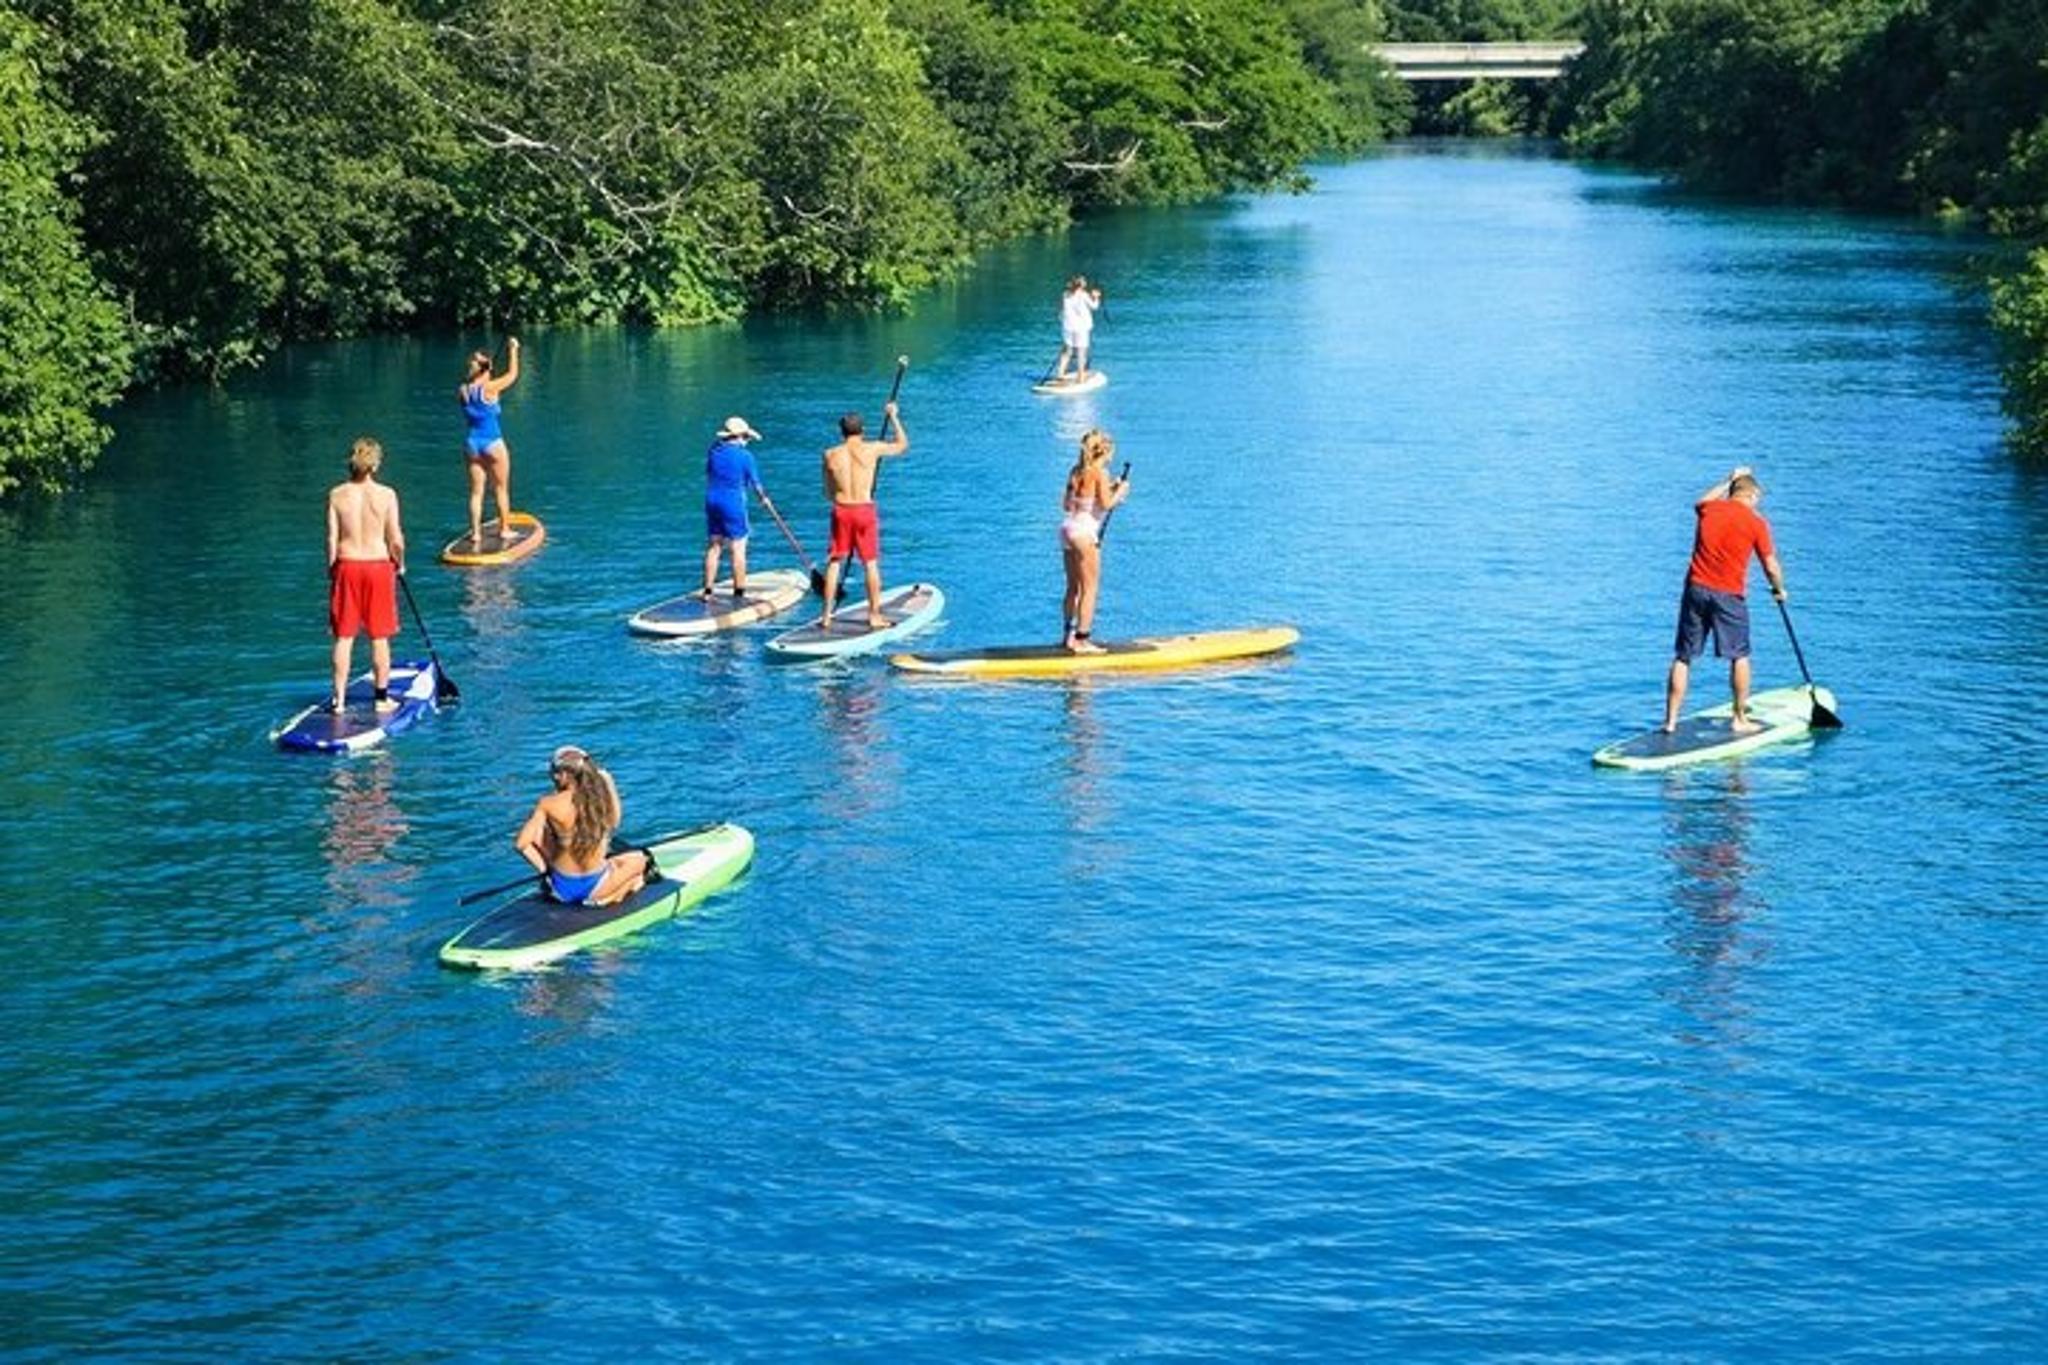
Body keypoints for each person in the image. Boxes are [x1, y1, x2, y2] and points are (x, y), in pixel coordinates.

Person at [1663, 465, 1787, 734]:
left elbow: (1701, 500)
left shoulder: (1709, 509)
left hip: (1695, 589)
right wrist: (1779, 589)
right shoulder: (1756, 523)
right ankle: (1739, 718)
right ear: (1752, 495)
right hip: (1729, 595)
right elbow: (1771, 565)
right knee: (1739, 656)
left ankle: (1670, 722)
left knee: (1683, 657)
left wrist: (1728, 479)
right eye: (1757, 500)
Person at [326, 437, 407, 713]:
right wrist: (401, 563)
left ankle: (339, 700)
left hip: (347, 564)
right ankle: (381, 699)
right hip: (377, 564)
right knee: (379, 635)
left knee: (344, 636)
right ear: (376, 464)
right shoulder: (386, 495)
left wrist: (331, 569)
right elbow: (396, 539)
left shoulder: (336, 495)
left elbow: (332, 538)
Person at [515, 746, 651, 906]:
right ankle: (609, 897)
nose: (552, 776)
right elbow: (614, 823)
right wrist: (609, 782)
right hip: (596, 886)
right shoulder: (597, 799)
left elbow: (521, 844)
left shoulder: (547, 804)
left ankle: (603, 893)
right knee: (640, 861)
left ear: (564, 775)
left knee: (539, 834)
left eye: (553, 772)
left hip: (561, 887)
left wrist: (546, 871)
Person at [819, 401, 910, 630]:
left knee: (834, 562)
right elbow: (902, 445)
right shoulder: (872, 448)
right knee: (870, 563)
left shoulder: (829, 455)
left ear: (842, 432)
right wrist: (893, 416)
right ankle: (874, 616)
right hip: (864, 510)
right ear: (862, 431)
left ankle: (827, 616)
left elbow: (828, 492)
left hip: (841, 509)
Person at [1059, 428, 1130, 654]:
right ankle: (1082, 640)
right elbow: (1108, 504)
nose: (1111, 459)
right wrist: (1121, 491)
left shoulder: (1076, 471)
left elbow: (1069, 505)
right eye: (1111, 454)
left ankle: (1068, 636)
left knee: (1073, 588)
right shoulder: (1100, 472)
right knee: (1090, 588)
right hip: (1084, 535)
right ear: (1105, 452)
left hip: (1067, 528)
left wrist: (1110, 489)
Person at [458, 338, 521, 548]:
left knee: (476, 492)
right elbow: (512, 375)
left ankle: (475, 533)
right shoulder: (491, 388)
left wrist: (486, 371)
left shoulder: (463, 390)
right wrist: (513, 350)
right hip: (493, 442)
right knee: (501, 489)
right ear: (487, 369)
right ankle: (505, 530)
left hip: (471, 444)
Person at [702, 416, 767, 598]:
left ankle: (707, 590)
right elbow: (756, 484)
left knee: (714, 546)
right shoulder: (746, 456)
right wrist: (764, 499)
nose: (747, 441)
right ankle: (739, 593)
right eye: (746, 437)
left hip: (712, 501)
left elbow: (709, 473)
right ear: (739, 437)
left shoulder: (713, 451)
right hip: (732, 503)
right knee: (738, 548)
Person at [1053, 275, 1103, 383]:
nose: (1086, 283)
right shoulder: (1084, 295)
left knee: (1067, 351)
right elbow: (1094, 307)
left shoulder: (1065, 295)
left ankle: (1060, 374)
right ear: (1081, 285)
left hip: (1067, 327)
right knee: (1081, 352)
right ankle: (1080, 377)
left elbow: (1061, 310)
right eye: (1084, 282)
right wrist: (1096, 297)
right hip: (1081, 328)